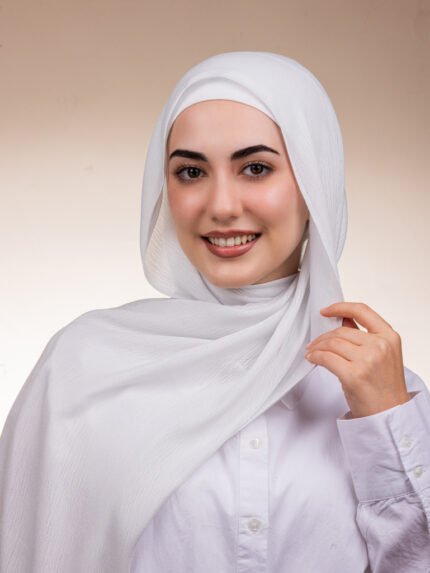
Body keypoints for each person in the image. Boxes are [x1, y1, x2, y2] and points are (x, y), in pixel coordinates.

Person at [0, 51, 429, 572]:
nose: (222, 206)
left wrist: (387, 422)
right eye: (190, 171)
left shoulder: (381, 392)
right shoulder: (81, 371)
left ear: (315, 182)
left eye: (256, 168)